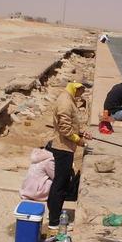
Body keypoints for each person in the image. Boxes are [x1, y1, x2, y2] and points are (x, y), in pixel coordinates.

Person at [47, 81, 92, 229]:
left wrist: (81, 132)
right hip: (62, 149)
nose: (82, 94)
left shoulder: (69, 100)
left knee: (62, 182)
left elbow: (71, 125)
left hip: (67, 148)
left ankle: (56, 214)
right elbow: (64, 129)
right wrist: (80, 141)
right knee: (59, 184)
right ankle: (53, 221)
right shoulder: (65, 102)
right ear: (75, 87)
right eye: (81, 91)